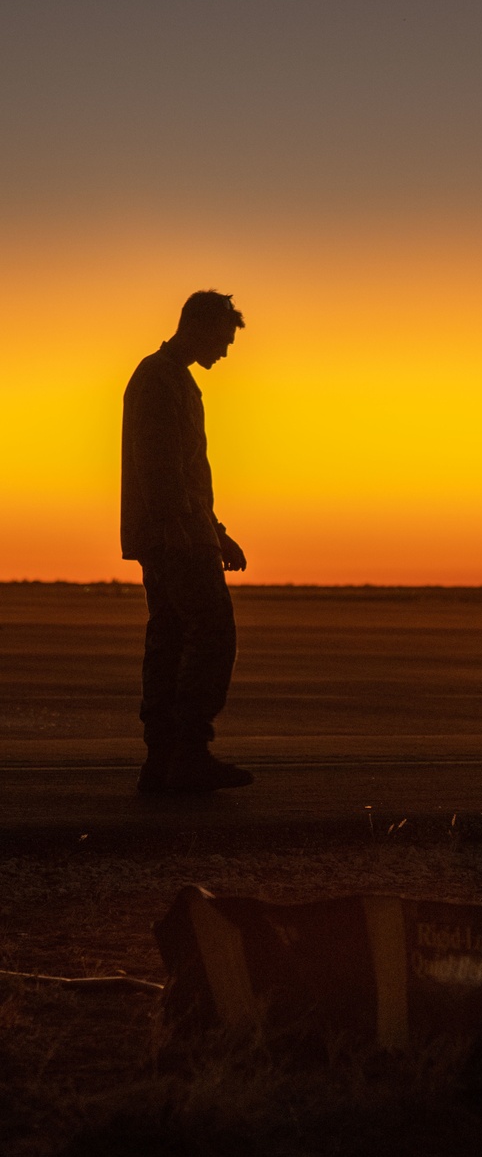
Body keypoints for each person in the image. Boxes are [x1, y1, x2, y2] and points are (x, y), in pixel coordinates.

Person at [121, 290, 253, 796]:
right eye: (222, 338)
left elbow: (184, 471)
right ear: (196, 325)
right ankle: (188, 754)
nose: (224, 350)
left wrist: (216, 533)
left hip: (176, 530)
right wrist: (180, 528)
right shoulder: (159, 378)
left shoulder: (172, 378)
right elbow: (159, 463)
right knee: (213, 633)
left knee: (171, 638)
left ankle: (163, 762)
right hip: (173, 534)